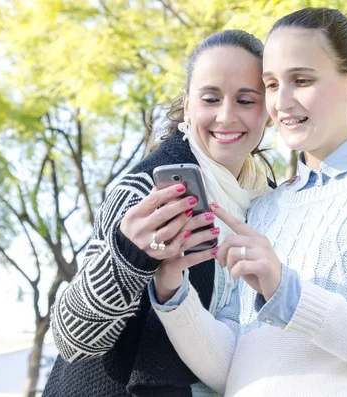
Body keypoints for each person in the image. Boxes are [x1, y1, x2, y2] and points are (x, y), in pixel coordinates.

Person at [151, 7, 347, 397]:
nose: (282, 102)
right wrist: (172, 290)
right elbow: (233, 365)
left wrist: (290, 294)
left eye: (301, 80)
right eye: (272, 84)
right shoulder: (263, 205)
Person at [43, 29, 275, 397]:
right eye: (211, 98)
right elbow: (72, 339)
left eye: (246, 100)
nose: (226, 116)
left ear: (271, 111)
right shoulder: (144, 192)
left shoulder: (271, 201)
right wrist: (127, 256)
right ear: (187, 105)